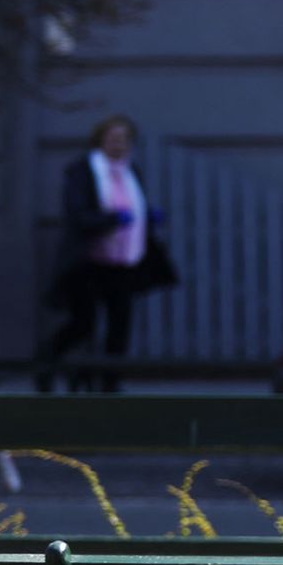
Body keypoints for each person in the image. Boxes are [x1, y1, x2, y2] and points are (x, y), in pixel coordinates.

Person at [37, 114, 174, 393]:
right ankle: (47, 361)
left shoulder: (129, 171)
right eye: (113, 139)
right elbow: (78, 214)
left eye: (124, 139)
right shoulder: (83, 171)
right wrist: (111, 220)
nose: (118, 145)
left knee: (119, 325)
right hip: (89, 261)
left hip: (123, 262)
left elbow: (136, 207)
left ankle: (110, 382)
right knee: (83, 324)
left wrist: (144, 217)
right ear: (100, 140)